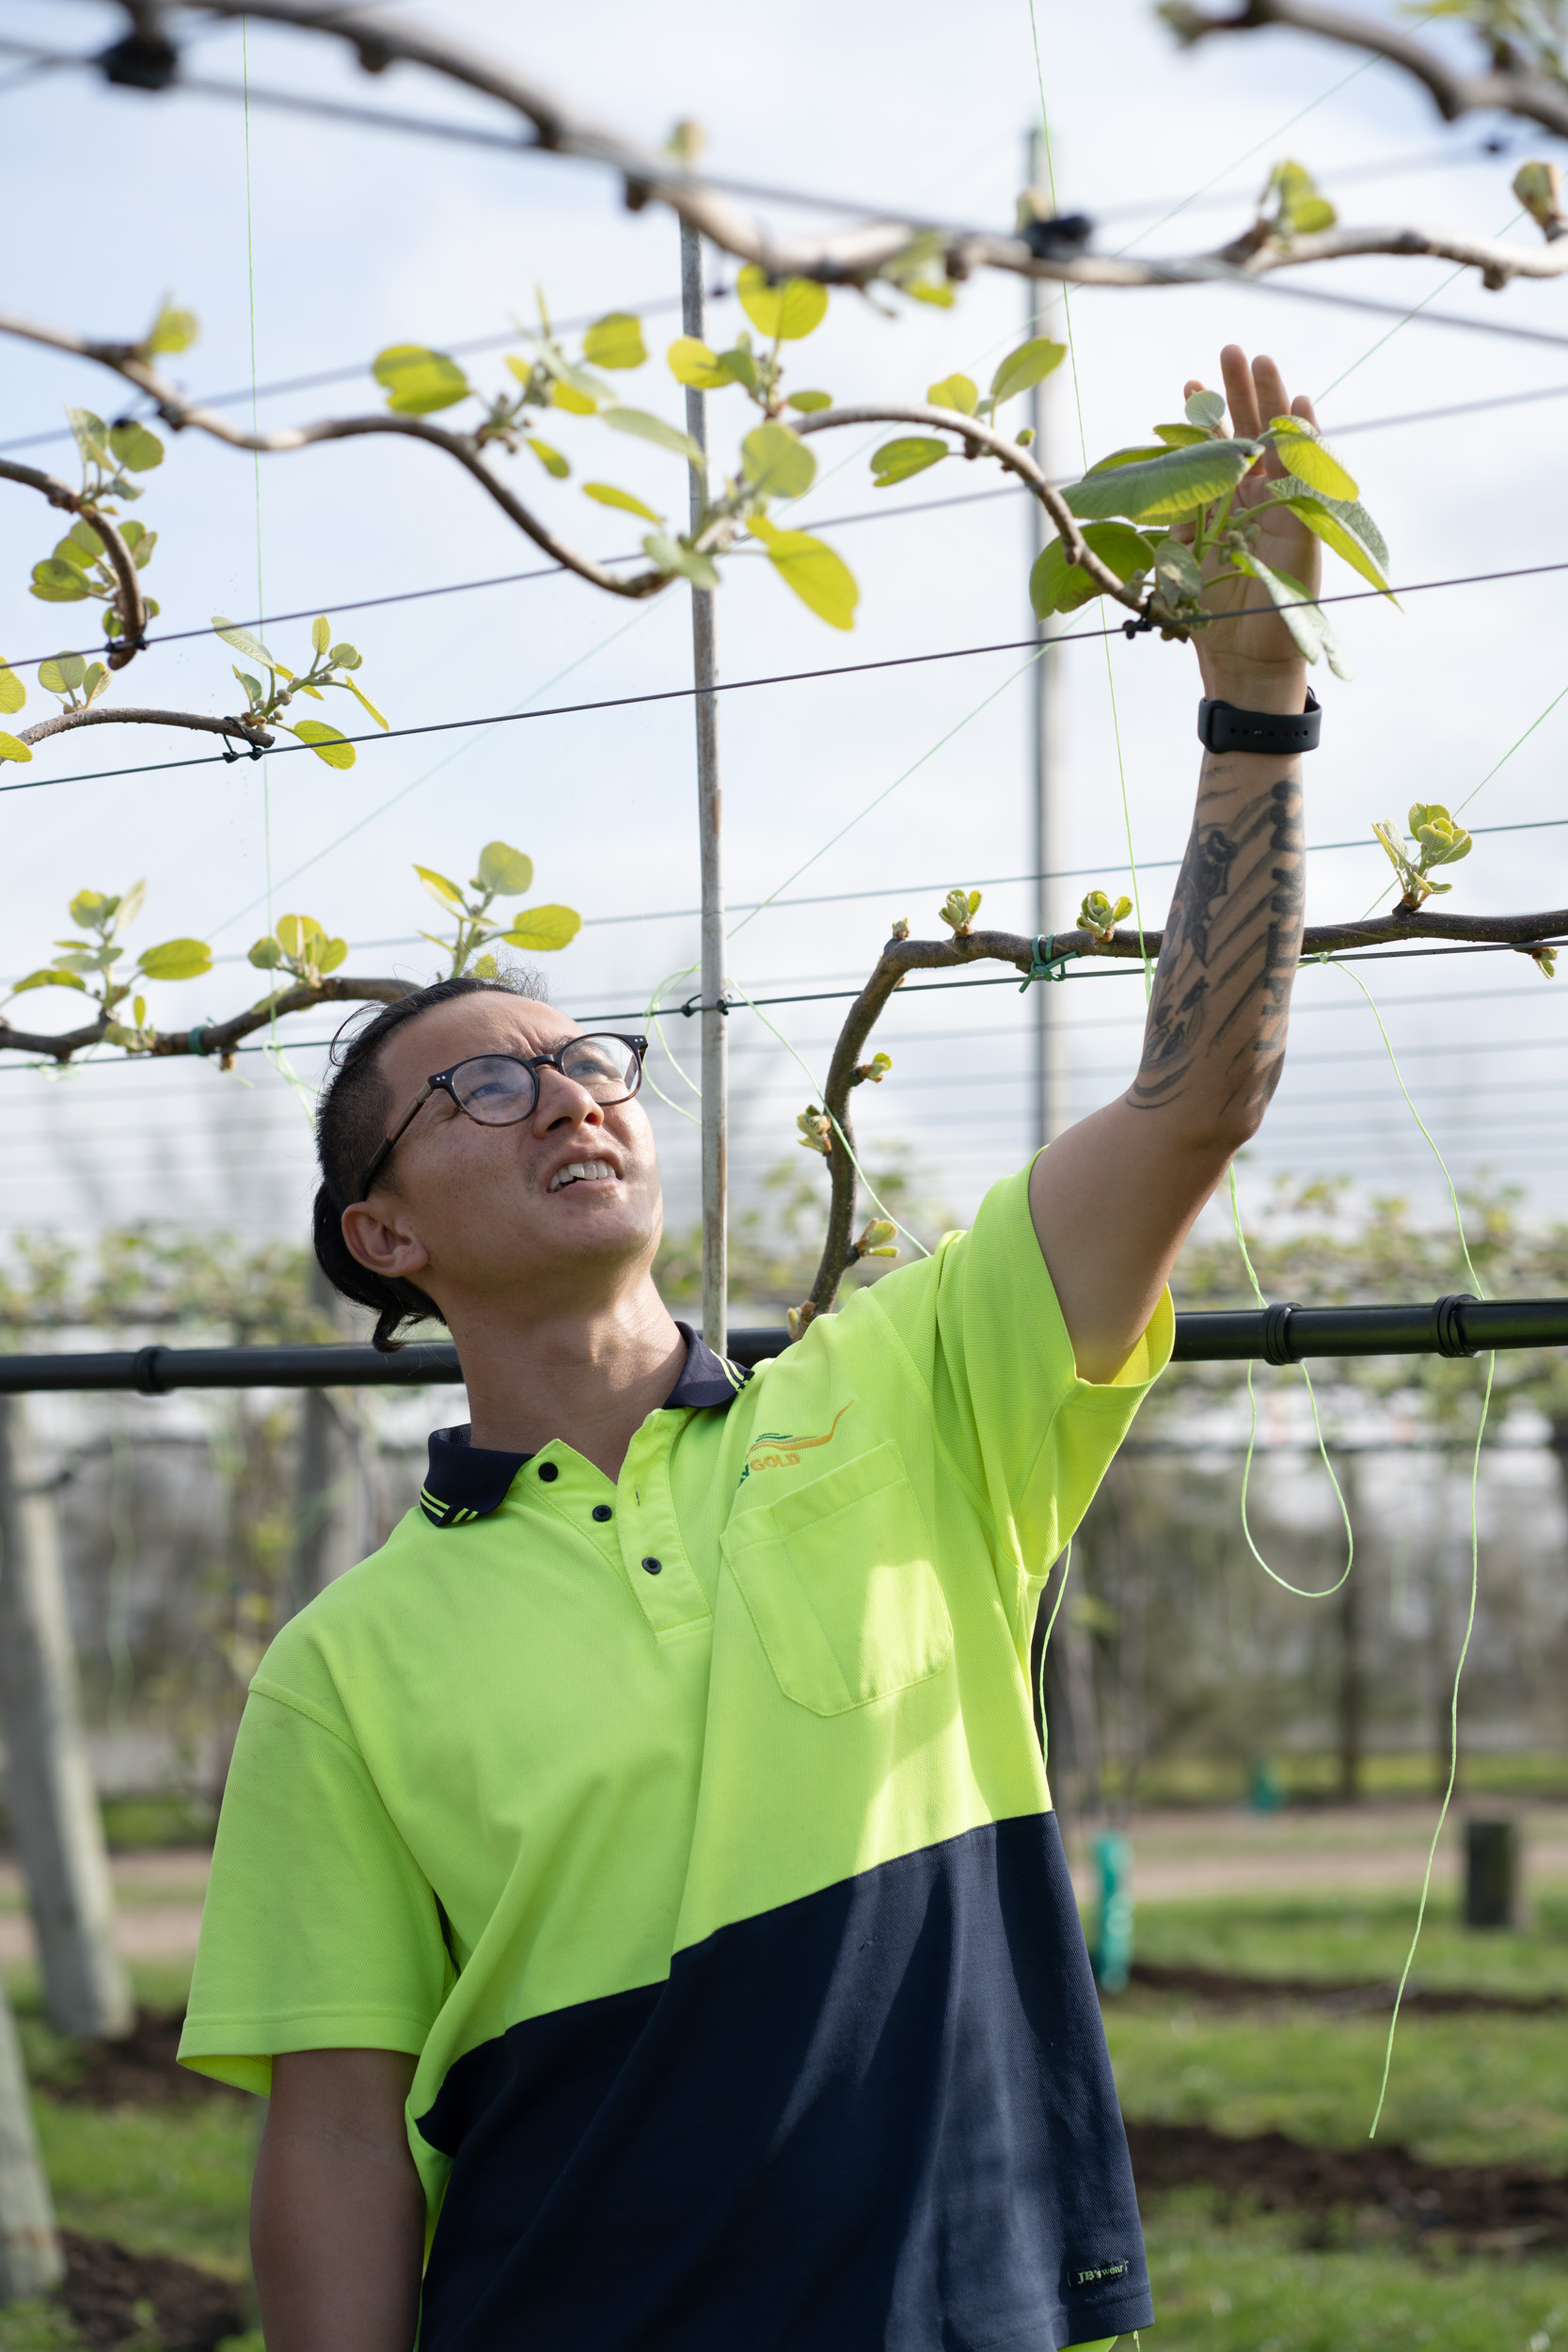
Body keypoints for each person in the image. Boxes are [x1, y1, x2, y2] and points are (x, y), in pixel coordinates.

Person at [180, 346, 1320, 2352]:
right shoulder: (343, 1668)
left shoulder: (911, 1391)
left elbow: (1195, 1094)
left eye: (586, 1061)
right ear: (385, 1235)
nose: (568, 1097)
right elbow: (342, 2136)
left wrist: (1256, 713)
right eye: (486, 1089)